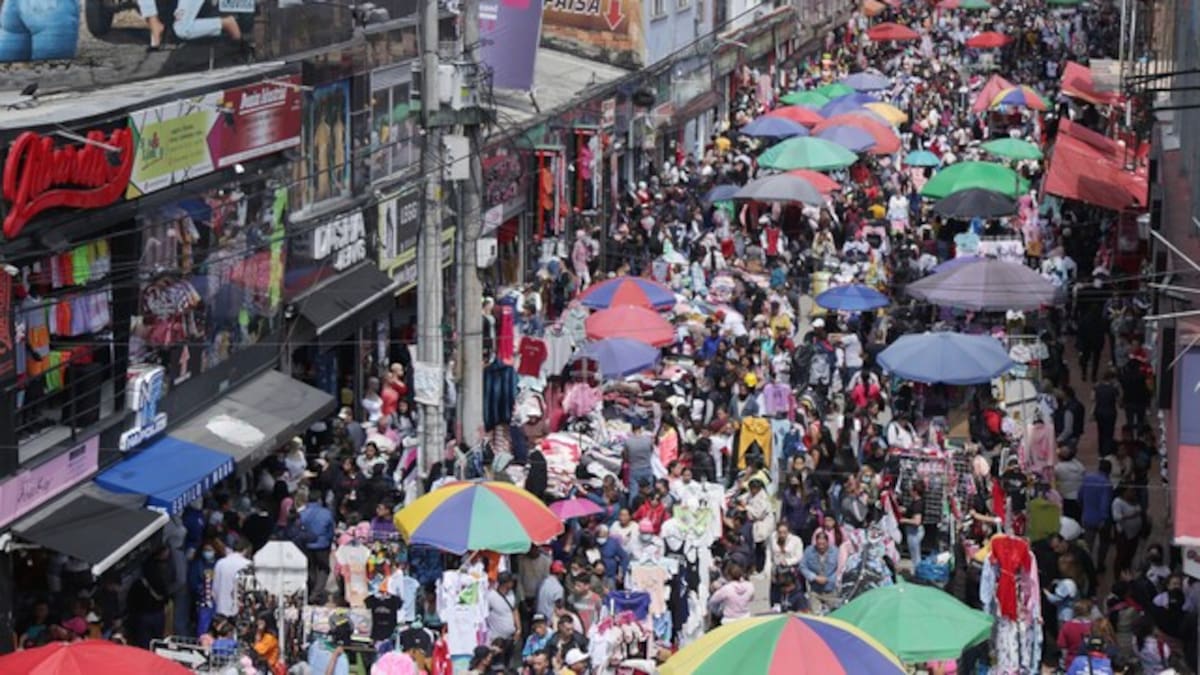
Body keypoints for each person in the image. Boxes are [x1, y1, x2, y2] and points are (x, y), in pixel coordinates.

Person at [212, 537, 251, 619]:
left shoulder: (220, 563)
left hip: (221, 609)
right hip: (239, 611)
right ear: (246, 550)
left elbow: (214, 589)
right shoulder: (247, 564)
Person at [486, 572, 521, 663]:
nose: (513, 583)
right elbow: (485, 615)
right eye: (511, 581)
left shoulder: (511, 594)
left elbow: (514, 610)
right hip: (497, 639)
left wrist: (518, 629)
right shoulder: (491, 596)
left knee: (509, 663)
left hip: (510, 638)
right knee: (498, 664)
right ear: (506, 583)